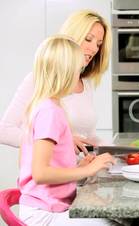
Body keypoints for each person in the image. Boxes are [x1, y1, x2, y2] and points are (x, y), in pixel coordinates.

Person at [18, 35, 117, 225]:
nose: (79, 75)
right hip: (44, 214)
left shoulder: (47, 106)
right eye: (78, 70)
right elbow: (40, 174)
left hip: (48, 208)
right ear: (64, 72)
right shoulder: (50, 112)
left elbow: (46, 167)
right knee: (114, 221)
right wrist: (87, 169)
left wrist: (78, 169)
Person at [0, 9, 112, 154]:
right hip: (52, 173)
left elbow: (87, 137)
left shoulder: (86, 83)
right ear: (71, 38)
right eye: (88, 39)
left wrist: (117, 149)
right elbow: (4, 131)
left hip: (81, 170)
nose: (94, 49)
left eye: (98, 44)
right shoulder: (38, 79)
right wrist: (60, 142)